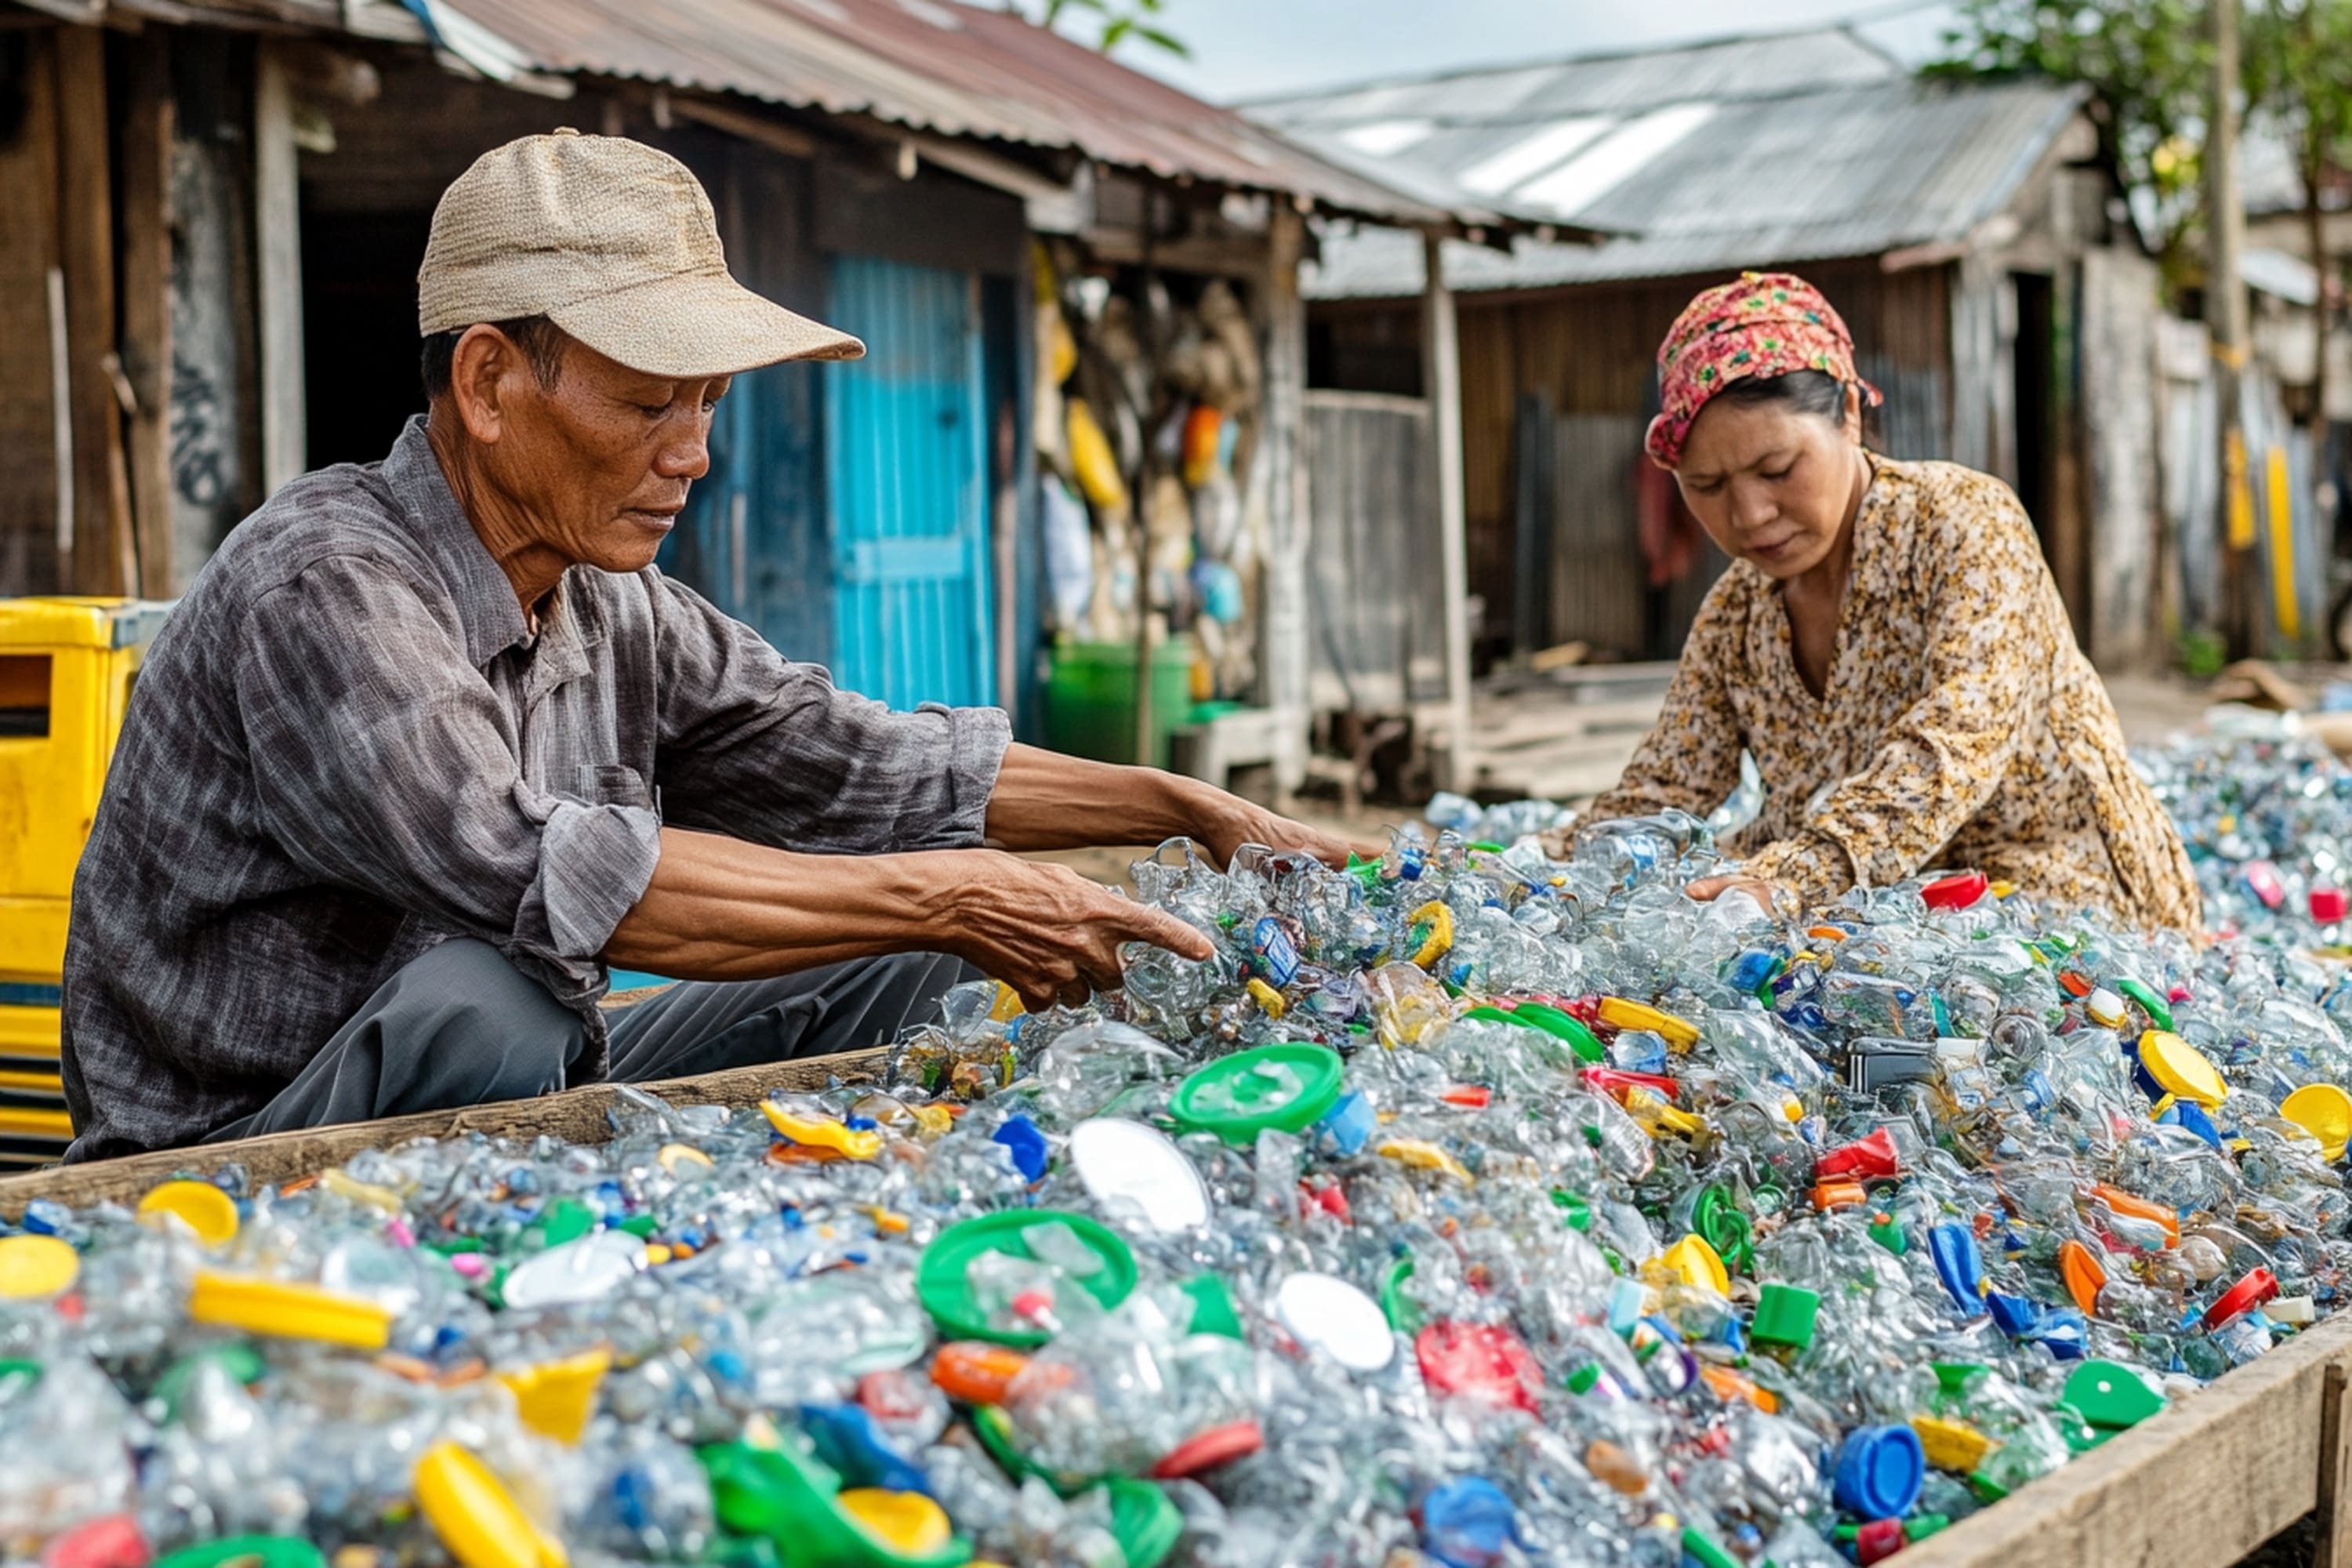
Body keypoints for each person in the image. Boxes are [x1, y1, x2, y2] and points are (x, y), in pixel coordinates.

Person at [59, 132, 1352, 1162]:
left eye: (709, 403)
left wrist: (1183, 806)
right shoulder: (327, 582)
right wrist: (956, 893)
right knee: (498, 997)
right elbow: (536, 874)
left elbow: (859, 763)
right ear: (490, 383)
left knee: (925, 929)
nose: (693, 454)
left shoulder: (605, 597)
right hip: (230, 1160)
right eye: (645, 404)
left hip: (523, 1085)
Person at [1581, 271, 2198, 931]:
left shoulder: (1963, 523)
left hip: (2055, 906)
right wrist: (1550, 867)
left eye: (1777, 470)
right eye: (1707, 485)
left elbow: (1956, 742)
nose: (1751, 513)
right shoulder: (1736, 614)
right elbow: (1666, 787)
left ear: (1849, 413)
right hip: (1875, 918)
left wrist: (1797, 875)